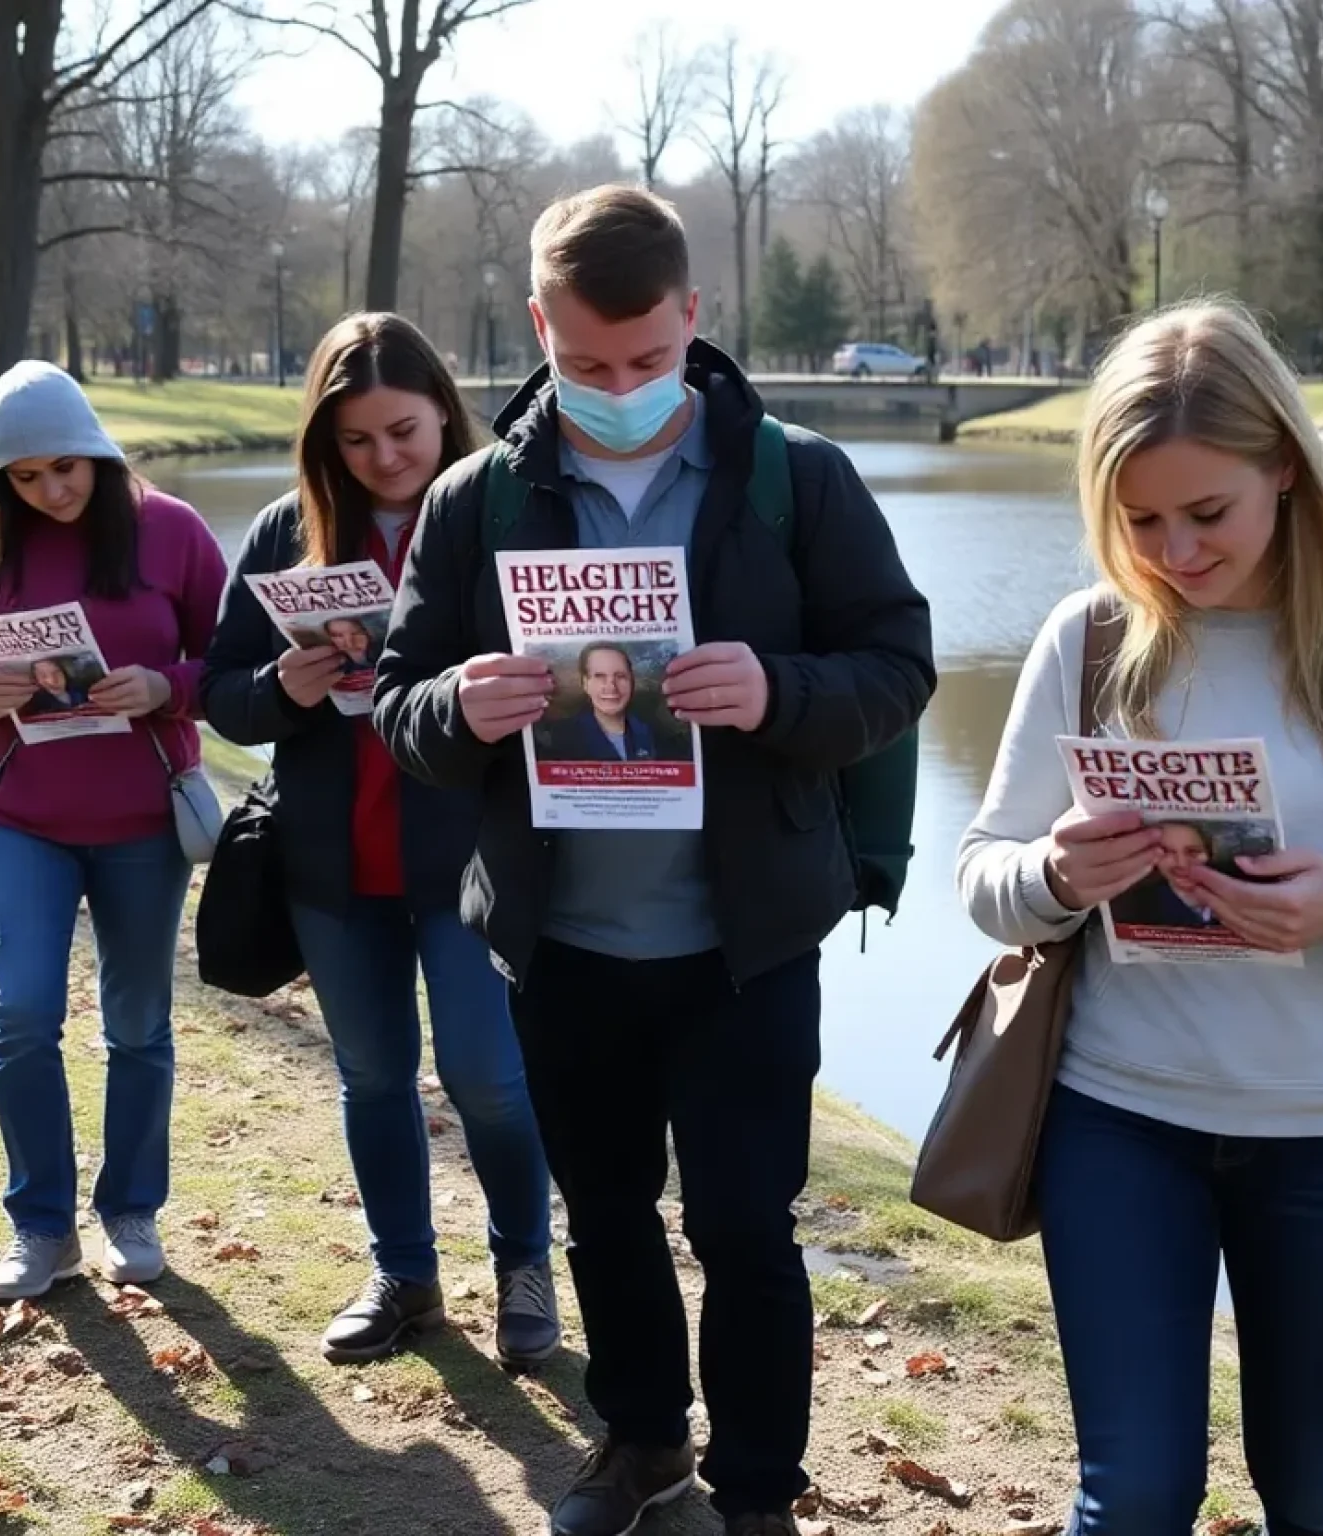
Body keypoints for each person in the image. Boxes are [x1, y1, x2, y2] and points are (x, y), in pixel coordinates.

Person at [374, 186, 934, 1536]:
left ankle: (755, 1489)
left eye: (646, 359)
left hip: (745, 945)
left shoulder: (798, 476)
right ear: (536, 329)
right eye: (583, 365)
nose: (618, 389)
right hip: (563, 944)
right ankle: (640, 1443)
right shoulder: (477, 497)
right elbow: (400, 705)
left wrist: (778, 691)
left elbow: (899, 665)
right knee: (605, 1214)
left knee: (746, 1227)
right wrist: (464, 705)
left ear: (695, 314)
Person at [956, 300, 1323, 1535]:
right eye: (1139, 522)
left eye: (1206, 512)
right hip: (1121, 1126)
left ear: (1284, 463)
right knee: (1133, 1501)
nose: (1173, 551)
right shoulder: (1089, 638)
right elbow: (982, 871)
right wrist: (1059, 878)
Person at [200, 312, 558, 1370]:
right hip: (332, 861)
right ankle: (404, 1275)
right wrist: (282, 685)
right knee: (372, 1075)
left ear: (445, 414)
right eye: (356, 441)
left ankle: (523, 1267)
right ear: (325, 446)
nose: (385, 458)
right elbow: (221, 691)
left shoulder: (504, 518)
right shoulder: (286, 531)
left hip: (470, 861)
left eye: (404, 431)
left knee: (490, 1077)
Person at [0, 359, 228, 1300]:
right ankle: (40, 1227)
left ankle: (130, 1209)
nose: (50, 490)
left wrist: (168, 687)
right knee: (22, 1019)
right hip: (23, 821)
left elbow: (237, 663)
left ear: (97, 449)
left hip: (143, 821)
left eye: (65, 467)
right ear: (0, 480)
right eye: (25, 476)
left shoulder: (170, 529)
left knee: (137, 1025)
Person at [539, 642, 661, 763]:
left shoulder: (655, 735)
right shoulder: (560, 738)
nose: (611, 687)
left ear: (632, 681)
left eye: (620, 676)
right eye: (599, 676)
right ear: (585, 683)